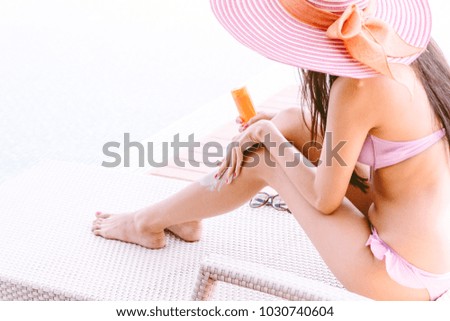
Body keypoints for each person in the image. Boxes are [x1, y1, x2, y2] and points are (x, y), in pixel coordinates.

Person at [92, 0, 450, 300]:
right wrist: (280, 128)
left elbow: (325, 199)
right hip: (428, 246)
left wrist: (267, 134)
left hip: (402, 276)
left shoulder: (356, 87)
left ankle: (144, 222)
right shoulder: (409, 52)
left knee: (264, 153)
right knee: (291, 120)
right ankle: (183, 215)